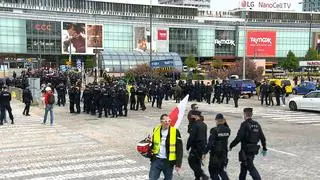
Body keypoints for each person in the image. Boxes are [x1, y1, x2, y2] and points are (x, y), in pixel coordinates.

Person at [229, 108, 267, 180]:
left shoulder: (244, 124)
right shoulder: (257, 124)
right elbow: (262, 137)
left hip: (245, 149)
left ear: (244, 115)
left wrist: (231, 145)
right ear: (251, 115)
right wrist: (264, 148)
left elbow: (239, 137)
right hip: (253, 149)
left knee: (250, 166)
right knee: (244, 166)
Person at [149, 114, 183, 180]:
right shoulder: (156, 130)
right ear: (161, 122)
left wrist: (178, 164)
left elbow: (179, 149)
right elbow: (153, 144)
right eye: (165, 121)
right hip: (156, 160)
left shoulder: (175, 131)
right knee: (152, 178)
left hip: (168, 162)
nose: (167, 123)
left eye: (169, 121)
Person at [206, 113, 230, 180]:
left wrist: (204, 152)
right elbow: (226, 128)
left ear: (216, 120)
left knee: (213, 171)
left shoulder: (214, 130)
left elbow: (210, 143)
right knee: (221, 170)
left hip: (215, 155)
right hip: (224, 154)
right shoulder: (228, 130)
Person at [186, 110, 209, 180]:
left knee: (191, 161)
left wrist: (188, 145)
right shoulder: (204, 124)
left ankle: (203, 175)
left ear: (196, 116)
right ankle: (197, 178)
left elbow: (192, 137)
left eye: (192, 115)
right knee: (197, 162)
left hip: (196, 146)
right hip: (202, 146)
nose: (191, 116)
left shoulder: (195, 125)